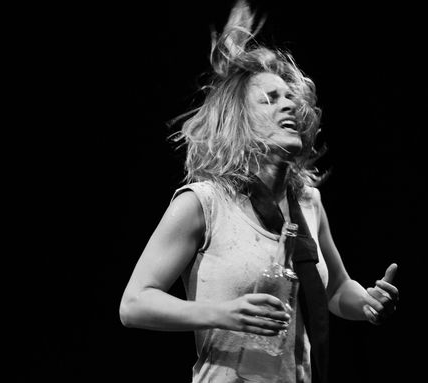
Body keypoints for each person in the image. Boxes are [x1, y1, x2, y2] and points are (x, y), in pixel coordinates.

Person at [120, 1, 399, 382]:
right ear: (240, 121)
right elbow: (134, 304)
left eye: (290, 98)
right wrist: (224, 313)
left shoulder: (308, 204)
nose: (289, 106)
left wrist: (365, 303)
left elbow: (335, 289)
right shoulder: (204, 202)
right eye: (270, 99)